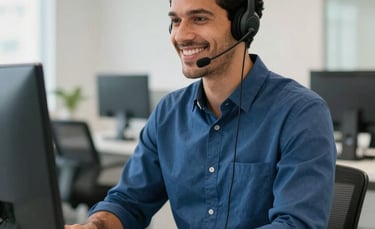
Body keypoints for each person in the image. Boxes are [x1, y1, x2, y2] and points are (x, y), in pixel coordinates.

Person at [65, 0, 336, 228]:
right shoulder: (168, 114)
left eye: (199, 18)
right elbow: (128, 202)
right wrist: (96, 225)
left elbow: (295, 224)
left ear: (243, 24)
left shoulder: (300, 113)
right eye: (176, 20)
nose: (181, 35)